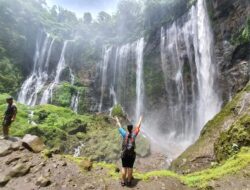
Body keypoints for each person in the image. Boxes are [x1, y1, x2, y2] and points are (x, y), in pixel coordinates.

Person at [115, 116, 143, 187]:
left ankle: (123, 181)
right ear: (132, 129)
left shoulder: (124, 134)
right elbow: (138, 126)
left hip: (124, 154)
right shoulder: (134, 134)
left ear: (127, 129)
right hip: (131, 155)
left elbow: (119, 126)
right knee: (130, 168)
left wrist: (117, 119)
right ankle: (129, 181)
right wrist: (140, 119)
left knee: (124, 167)